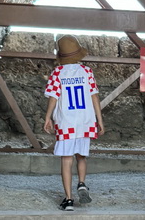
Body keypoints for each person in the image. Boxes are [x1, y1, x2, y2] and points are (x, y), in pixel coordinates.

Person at [43, 35, 105, 210]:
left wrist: (47, 117)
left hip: (66, 122)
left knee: (66, 159)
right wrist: (100, 120)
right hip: (85, 120)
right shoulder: (87, 71)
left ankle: (68, 200)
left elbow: (54, 98)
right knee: (81, 156)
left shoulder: (57, 73)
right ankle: (82, 183)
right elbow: (94, 96)